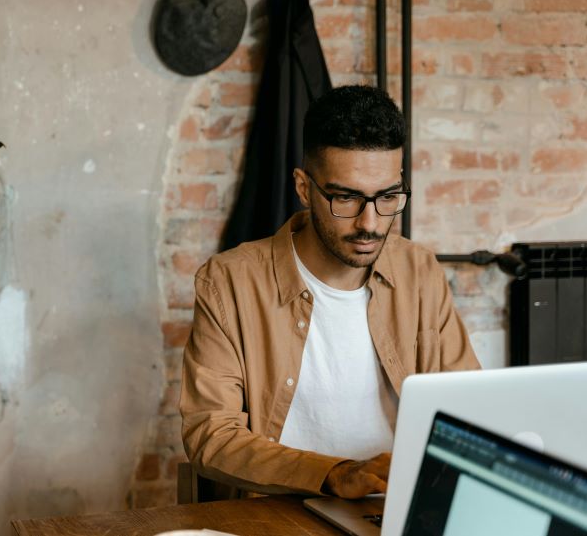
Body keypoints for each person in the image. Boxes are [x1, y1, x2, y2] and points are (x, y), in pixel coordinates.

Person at [180, 85, 480, 499]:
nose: (370, 223)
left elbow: (469, 408)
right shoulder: (229, 283)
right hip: (279, 512)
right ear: (304, 189)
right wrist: (334, 474)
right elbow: (210, 435)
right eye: (346, 198)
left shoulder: (419, 271)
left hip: (396, 510)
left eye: (388, 197)